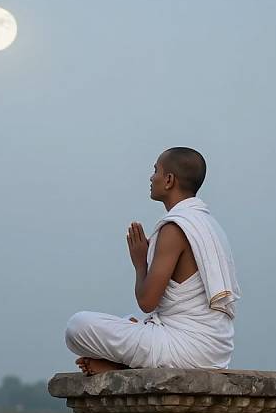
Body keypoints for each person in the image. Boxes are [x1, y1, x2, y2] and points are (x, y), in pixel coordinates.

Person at [65, 147, 241, 376]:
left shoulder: (175, 228)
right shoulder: (210, 225)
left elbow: (147, 301)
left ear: (169, 180)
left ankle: (123, 365)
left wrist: (140, 264)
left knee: (77, 327)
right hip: (216, 351)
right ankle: (121, 363)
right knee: (130, 321)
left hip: (185, 349)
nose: (151, 177)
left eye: (155, 170)